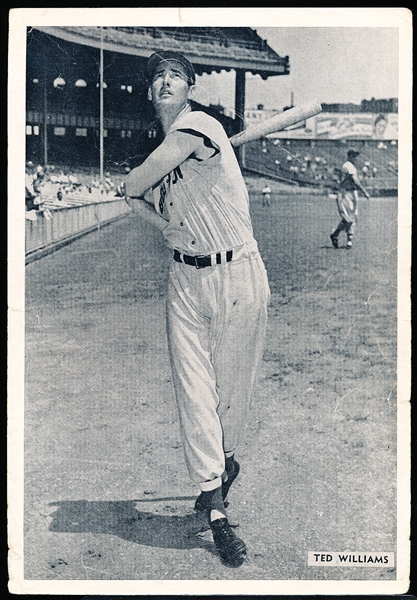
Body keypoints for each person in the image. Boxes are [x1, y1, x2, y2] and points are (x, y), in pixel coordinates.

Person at [125, 51, 270, 567]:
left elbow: (131, 184)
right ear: (150, 93)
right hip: (184, 278)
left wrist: (140, 189)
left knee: (231, 392)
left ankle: (225, 464)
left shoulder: (200, 125)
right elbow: (134, 194)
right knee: (194, 393)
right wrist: (161, 225)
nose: (165, 82)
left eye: (175, 77)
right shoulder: (165, 152)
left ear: (189, 89)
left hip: (238, 272)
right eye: (158, 77)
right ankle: (215, 508)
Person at [330, 149, 370, 249]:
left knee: (352, 217)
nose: (356, 158)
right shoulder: (348, 165)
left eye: (356, 156)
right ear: (349, 156)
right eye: (354, 156)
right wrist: (364, 191)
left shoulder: (352, 166)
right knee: (348, 218)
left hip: (352, 192)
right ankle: (344, 238)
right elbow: (354, 180)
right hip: (345, 193)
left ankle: (341, 237)